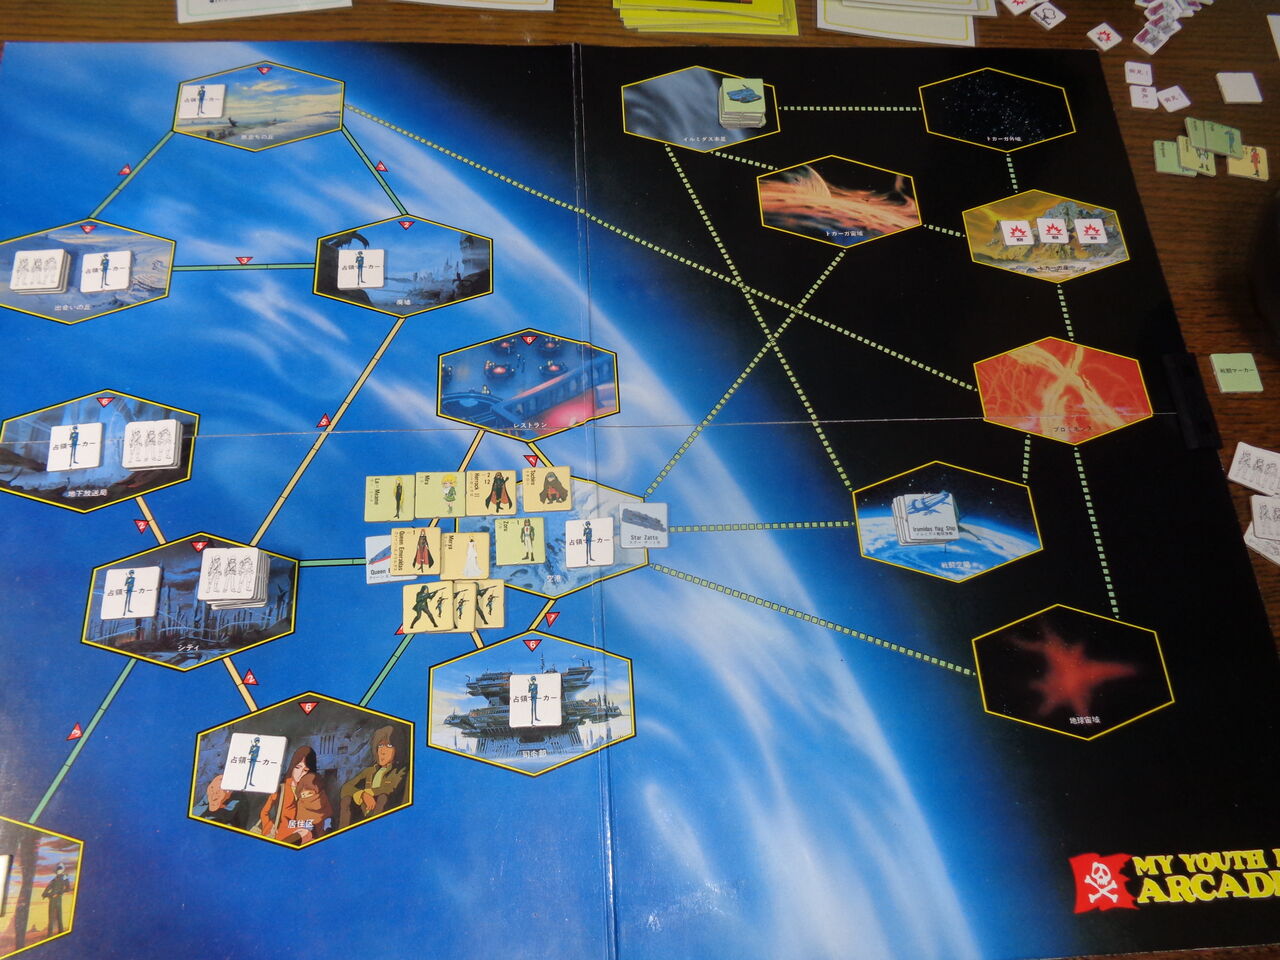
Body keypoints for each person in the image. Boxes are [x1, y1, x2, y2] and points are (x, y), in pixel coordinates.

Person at [258, 746, 332, 845]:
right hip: (282, 833)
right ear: (292, 766)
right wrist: (269, 827)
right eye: (298, 767)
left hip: (308, 835)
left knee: (307, 834)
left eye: (305, 770)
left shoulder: (313, 788)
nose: (300, 773)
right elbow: (264, 812)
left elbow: (326, 814)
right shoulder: (282, 788)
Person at [338, 725, 408, 828]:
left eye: (388, 746)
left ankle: (375, 829)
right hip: (365, 812)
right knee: (346, 799)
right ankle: (343, 831)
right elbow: (346, 787)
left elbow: (389, 789)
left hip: (388, 816)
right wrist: (362, 794)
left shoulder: (400, 770)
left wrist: (369, 792)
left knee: (382, 797)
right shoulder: (370, 771)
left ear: (397, 749)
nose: (382, 751)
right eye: (380, 746)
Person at [41, 863, 72, 934]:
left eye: (60, 870)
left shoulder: (65, 879)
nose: (58, 871)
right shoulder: (53, 880)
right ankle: (49, 934)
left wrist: (58, 894)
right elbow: (46, 890)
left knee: (59, 916)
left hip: (58, 899)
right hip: (52, 900)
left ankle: (61, 932)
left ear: (62, 870)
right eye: (58, 870)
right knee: (50, 918)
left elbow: (68, 889)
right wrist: (49, 895)